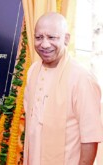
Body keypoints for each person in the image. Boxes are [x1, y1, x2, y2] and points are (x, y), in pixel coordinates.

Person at [23, 12, 103, 165]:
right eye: (39, 37)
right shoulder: (33, 71)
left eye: (52, 37)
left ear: (66, 39)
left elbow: (90, 138)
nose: (44, 44)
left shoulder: (82, 78)